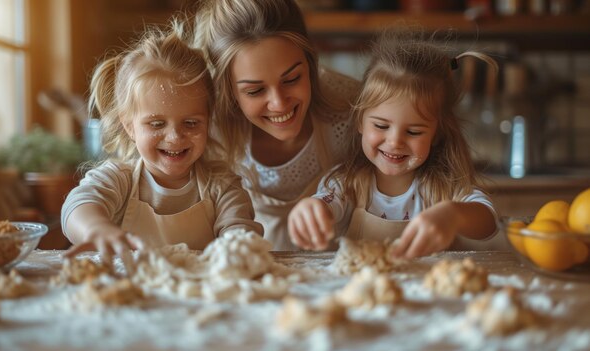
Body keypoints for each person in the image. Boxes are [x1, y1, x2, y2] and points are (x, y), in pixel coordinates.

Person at [287, 28, 498, 259]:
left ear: (436, 134)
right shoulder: (346, 184)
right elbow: (326, 203)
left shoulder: (443, 187)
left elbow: (489, 221)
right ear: (360, 122)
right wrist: (312, 209)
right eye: (381, 126)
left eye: (413, 131)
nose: (395, 141)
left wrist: (454, 215)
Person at [61, 22, 262, 261]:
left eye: (191, 123)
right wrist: (96, 229)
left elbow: (240, 234)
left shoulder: (222, 187)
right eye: (156, 124)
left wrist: (237, 250)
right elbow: (78, 206)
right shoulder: (119, 180)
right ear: (129, 127)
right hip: (132, 291)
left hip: (200, 293)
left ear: (208, 122)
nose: (175, 137)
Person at [192, 0, 360, 250]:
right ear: (227, 89)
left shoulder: (352, 110)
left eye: (292, 79)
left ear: (310, 61)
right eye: (255, 90)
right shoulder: (207, 131)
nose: (279, 104)